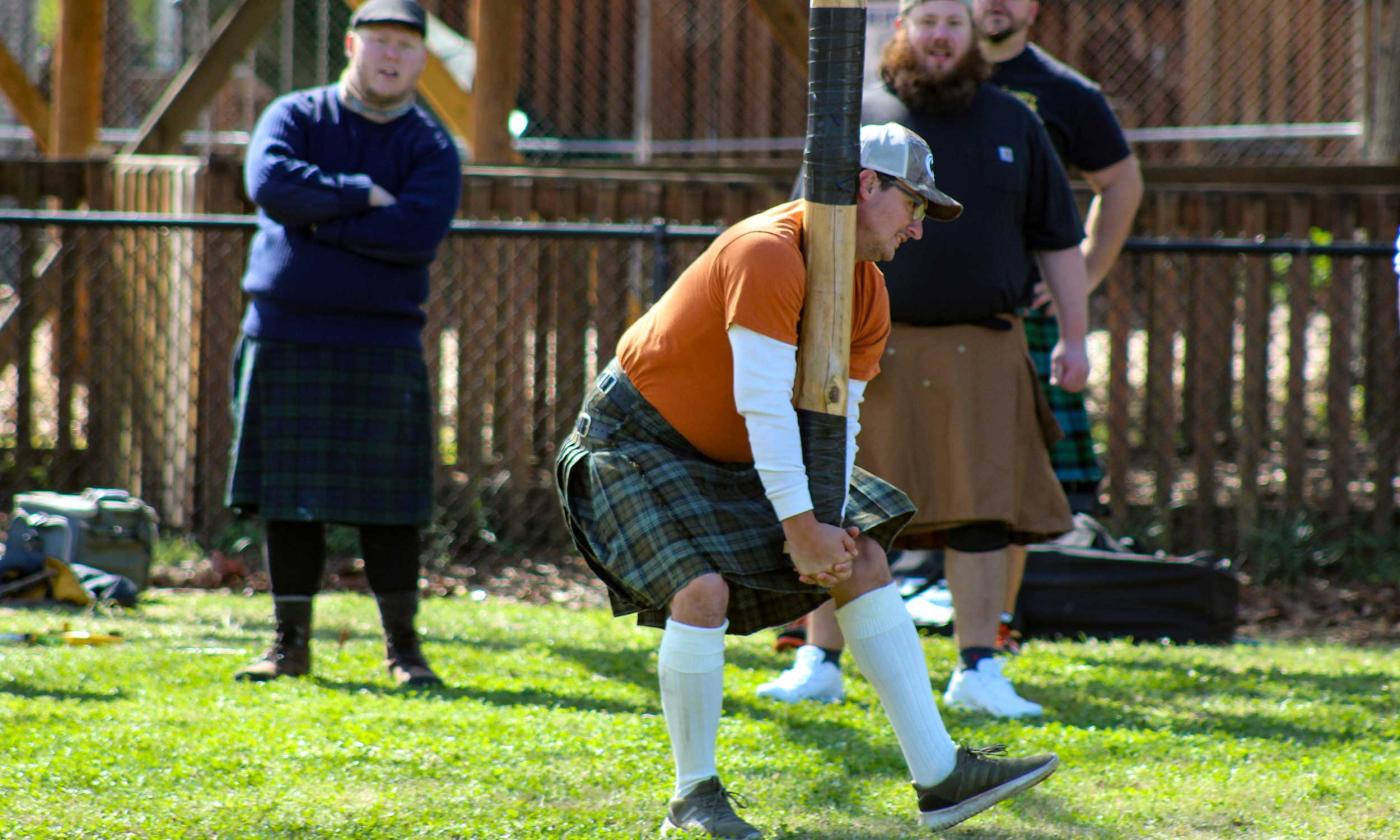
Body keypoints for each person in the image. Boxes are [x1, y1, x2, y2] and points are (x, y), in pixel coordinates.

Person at [556, 122, 1059, 838]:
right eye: (914, 205)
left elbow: (834, 424)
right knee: (700, 592)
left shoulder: (867, 293)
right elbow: (760, 402)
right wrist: (798, 527)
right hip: (637, 441)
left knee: (865, 557)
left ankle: (941, 777)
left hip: (738, 453)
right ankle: (692, 799)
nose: (918, 229)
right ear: (865, 184)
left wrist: (824, 522)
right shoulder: (766, 253)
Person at [757, 0, 1089, 719]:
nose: (941, 35)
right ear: (902, 29)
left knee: (983, 515)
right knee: (837, 502)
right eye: (928, 19)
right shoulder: (857, 118)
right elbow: (803, 232)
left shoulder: (1015, 121)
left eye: (955, 23)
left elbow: (1059, 238)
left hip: (983, 348)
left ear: (974, 38)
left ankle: (978, 668)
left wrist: (1075, 336)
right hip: (860, 346)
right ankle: (819, 658)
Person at [229, 0, 461, 688]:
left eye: (406, 47)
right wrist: (363, 195)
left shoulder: (430, 144)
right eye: (380, 42)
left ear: (421, 60)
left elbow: (417, 234)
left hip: (380, 340)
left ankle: (404, 652)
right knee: (287, 500)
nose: (391, 57)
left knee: (390, 505)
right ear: (352, 45)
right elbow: (270, 184)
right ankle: (287, 645)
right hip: (285, 331)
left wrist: (318, 224)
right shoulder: (296, 116)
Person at [974, 0, 1145, 651]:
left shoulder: (1066, 92)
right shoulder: (927, 81)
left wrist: (1083, 274)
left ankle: (996, 624)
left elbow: (1122, 184)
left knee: (1015, 471)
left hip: (1018, 313)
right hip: (915, 303)